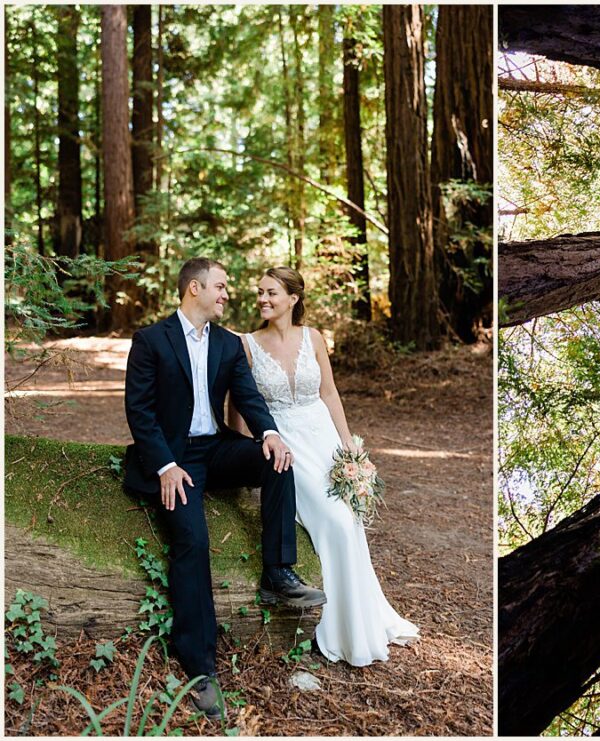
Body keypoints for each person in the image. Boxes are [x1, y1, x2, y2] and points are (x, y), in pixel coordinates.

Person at [123, 257, 326, 721]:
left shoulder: (229, 345)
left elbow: (249, 398)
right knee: (193, 540)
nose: (228, 294)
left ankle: (278, 572)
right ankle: (201, 670)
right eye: (220, 286)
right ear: (194, 288)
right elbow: (140, 412)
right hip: (175, 459)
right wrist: (166, 466)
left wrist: (270, 433)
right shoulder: (151, 340)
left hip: (214, 448)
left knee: (277, 461)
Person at [230, 266, 419, 667]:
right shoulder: (247, 345)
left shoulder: (313, 338)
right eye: (260, 292)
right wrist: (242, 451)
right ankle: (333, 622)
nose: (263, 299)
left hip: (323, 439)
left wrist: (348, 444)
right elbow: (240, 406)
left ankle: (361, 619)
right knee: (332, 520)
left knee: (348, 518)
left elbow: (329, 393)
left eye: (272, 293)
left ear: (293, 299)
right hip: (285, 443)